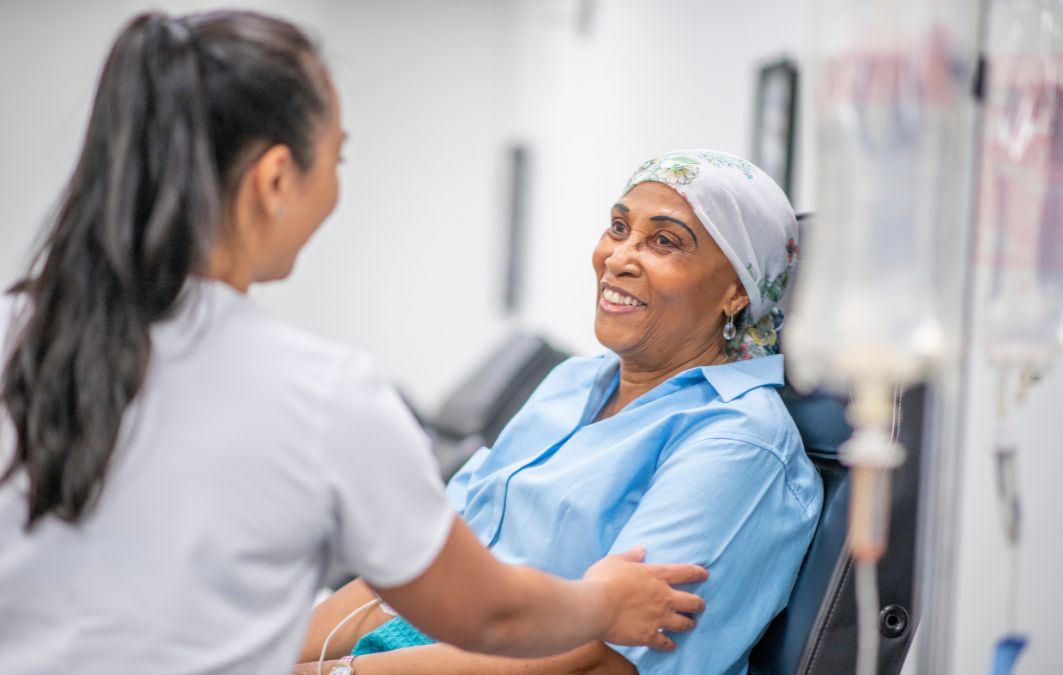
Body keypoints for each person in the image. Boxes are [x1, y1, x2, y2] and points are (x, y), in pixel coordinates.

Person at [0, 12, 710, 674]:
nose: (336, 187)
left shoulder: (15, 328)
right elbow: (489, 611)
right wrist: (606, 602)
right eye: (335, 160)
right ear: (276, 180)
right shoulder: (322, 395)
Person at [297, 150, 824, 675]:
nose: (619, 258)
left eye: (664, 241)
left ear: (737, 291)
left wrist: (329, 674)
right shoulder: (571, 382)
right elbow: (423, 570)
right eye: (618, 228)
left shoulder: (737, 442)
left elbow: (599, 663)